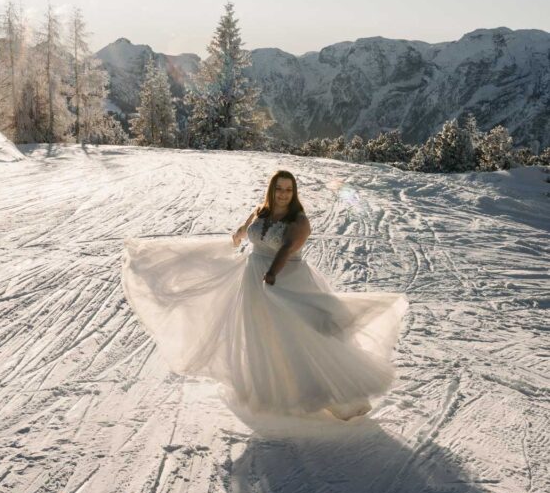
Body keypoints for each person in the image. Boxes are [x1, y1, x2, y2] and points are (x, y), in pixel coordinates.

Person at [121, 169, 408, 420]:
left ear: (294, 193)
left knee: (300, 336)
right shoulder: (261, 211)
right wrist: (229, 242)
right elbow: (243, 232)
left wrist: (271, 274)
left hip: (285, 280)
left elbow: (287, 249)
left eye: (288, 189)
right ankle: (273, 386)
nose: (283, 194)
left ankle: (340, 399)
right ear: (271, 190)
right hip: (253, 278)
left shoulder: (299, 220)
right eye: (279, 189)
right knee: (261, 334)